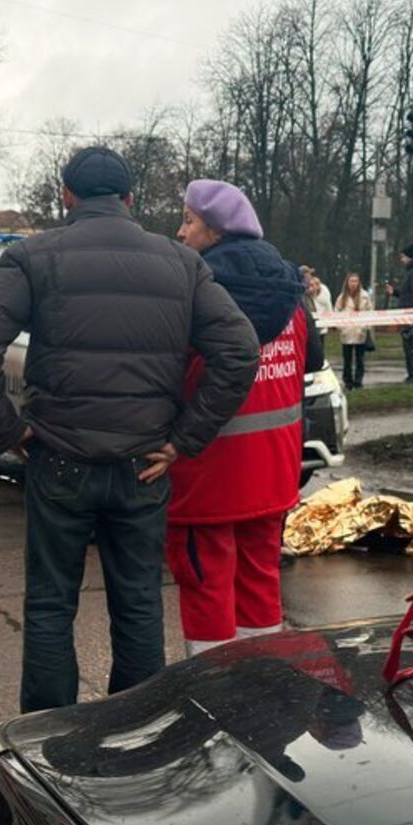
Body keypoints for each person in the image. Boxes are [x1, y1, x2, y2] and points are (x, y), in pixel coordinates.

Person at [0, 147, 260, 712]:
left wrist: (7, 431)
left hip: (57, 457)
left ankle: (45, 740)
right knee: (139, 603)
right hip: (143, 465)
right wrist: (185, 439)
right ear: (131, 200)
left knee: (49, 605)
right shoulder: (181, 263)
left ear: (66, 196)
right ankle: (134, 734)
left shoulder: (33, 258)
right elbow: (238, 350)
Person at [168, 179, 323, 655]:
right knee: (259, 579)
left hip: (208, 471)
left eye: (189, 221)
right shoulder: (290, 291)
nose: (180, 231)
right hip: (274, 469)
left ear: (214, 231)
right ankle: (263, 684)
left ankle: (213, 693)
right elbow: (312, 359)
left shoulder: (195, 293)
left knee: (205, 583)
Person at [385, 243, 413, 382]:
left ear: (409, 257)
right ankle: (411, 374)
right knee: (409, 345)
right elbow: (408, 294)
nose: (401, 260)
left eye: (403, 257)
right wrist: (396, 293)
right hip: (409, 316)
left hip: (412, 317)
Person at [334, 272, 373, 389]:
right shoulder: (342, 297)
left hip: (359, 331)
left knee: (360, 359)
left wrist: (366, 326)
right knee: (347, 359)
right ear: (347, 282)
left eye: (356, 281)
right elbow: (336, 312)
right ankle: (348, 381)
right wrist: (341, 327)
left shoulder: (365, 296)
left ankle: (358, 380)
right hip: (347, 332)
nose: (354, 283)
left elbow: (370, 311)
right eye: (351, 281)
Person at [300, 264, 333, 334]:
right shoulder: (301, 290)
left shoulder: (308, 290)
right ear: (304, 275)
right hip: (306, 324)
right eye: (309, 274)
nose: (310, 276)